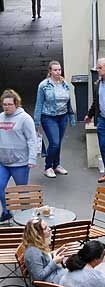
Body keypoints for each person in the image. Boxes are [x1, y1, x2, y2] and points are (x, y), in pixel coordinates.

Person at [0, 89, 38, 222]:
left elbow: (32, 139)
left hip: (20, 163)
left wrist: (32, 158)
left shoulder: (25, 118)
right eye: (4, 104)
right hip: (3, 162)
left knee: (22, 191)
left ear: (16, 104)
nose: (7, 107)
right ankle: (6, 211)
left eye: (10, 104)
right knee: (0, 186)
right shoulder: (1, 117)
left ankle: (25, 216)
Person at [33, 60, 75, 178]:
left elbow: (68, 101)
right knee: (54, 143)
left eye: (59, 70)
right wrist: (36, 121)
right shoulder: (44, 85)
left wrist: (71, 116)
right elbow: (39, 103)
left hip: (63, 116)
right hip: (48, 117)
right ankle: (48, 167)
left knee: (58, 142)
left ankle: (56, 165)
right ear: (50, 71)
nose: (58, 72)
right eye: (55, 70)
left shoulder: (64, 84)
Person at [23, 218, 67, 285]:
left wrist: (53, 253)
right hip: (51, 283)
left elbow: (43, 258)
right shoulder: (33, 252)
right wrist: (54, 262)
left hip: (56, 274)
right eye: (45, 228)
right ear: (37, 234)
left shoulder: (38, 243)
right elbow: (38, 277)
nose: (49, 229)